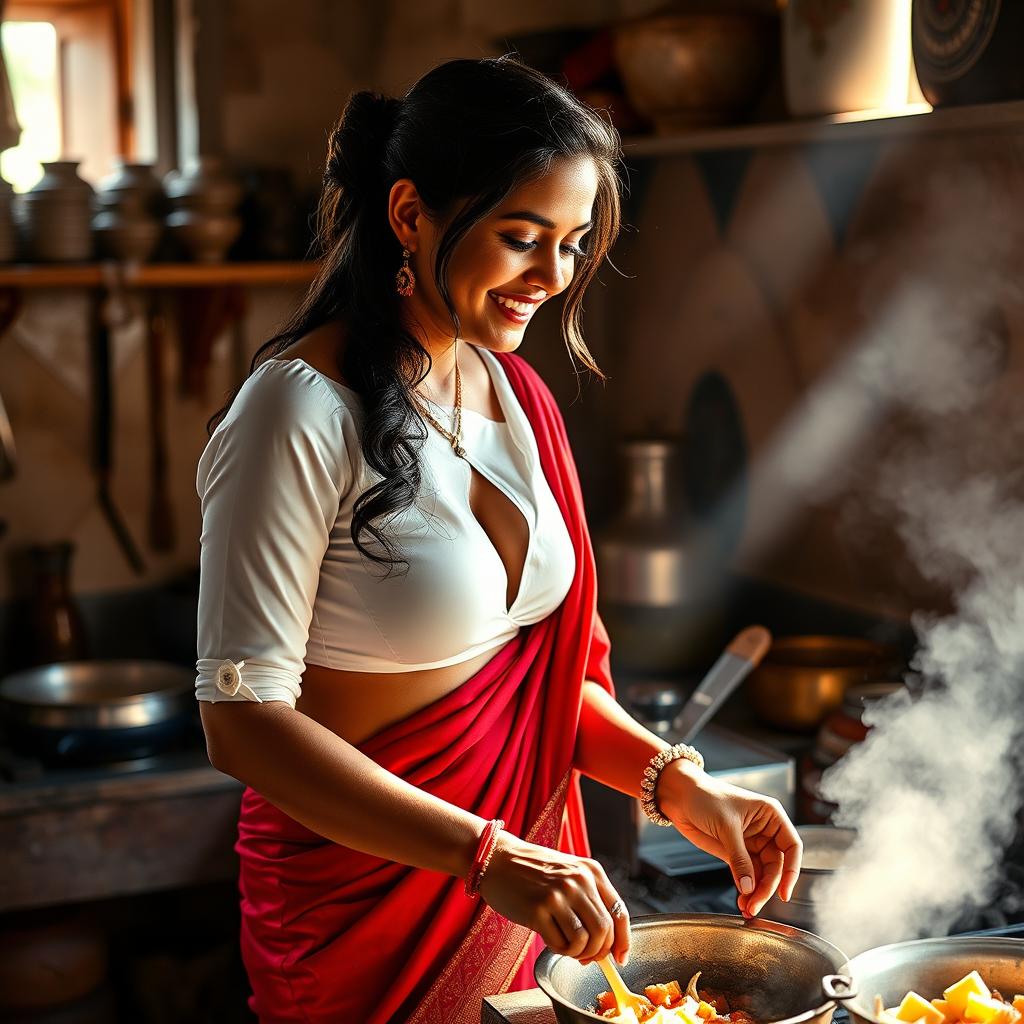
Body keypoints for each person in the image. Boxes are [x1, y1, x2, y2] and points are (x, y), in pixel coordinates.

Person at [195, 56, 802, 1024]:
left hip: (509, 894)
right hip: (359, 918)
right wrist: (487, 854)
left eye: (570, 244)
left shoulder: (518, 400)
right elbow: (241, 721)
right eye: (521, 238)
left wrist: (681, 786)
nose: (552, 279)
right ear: (408, 214)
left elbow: (547, 686)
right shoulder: (298, 411)